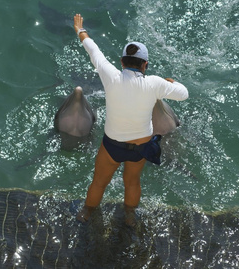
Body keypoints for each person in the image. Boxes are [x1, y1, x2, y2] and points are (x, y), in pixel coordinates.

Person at [73, 14, 188, 226]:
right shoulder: (155, 83)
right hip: (141, 146)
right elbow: (183, 94)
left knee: (99, 183)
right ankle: (129, 218)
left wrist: (80, 30)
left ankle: (86, 214)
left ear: (121, 62)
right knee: (132, 183)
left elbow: (93, 51)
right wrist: (170, 81)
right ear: (145, 64)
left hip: (112, 146)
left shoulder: (112, 76)